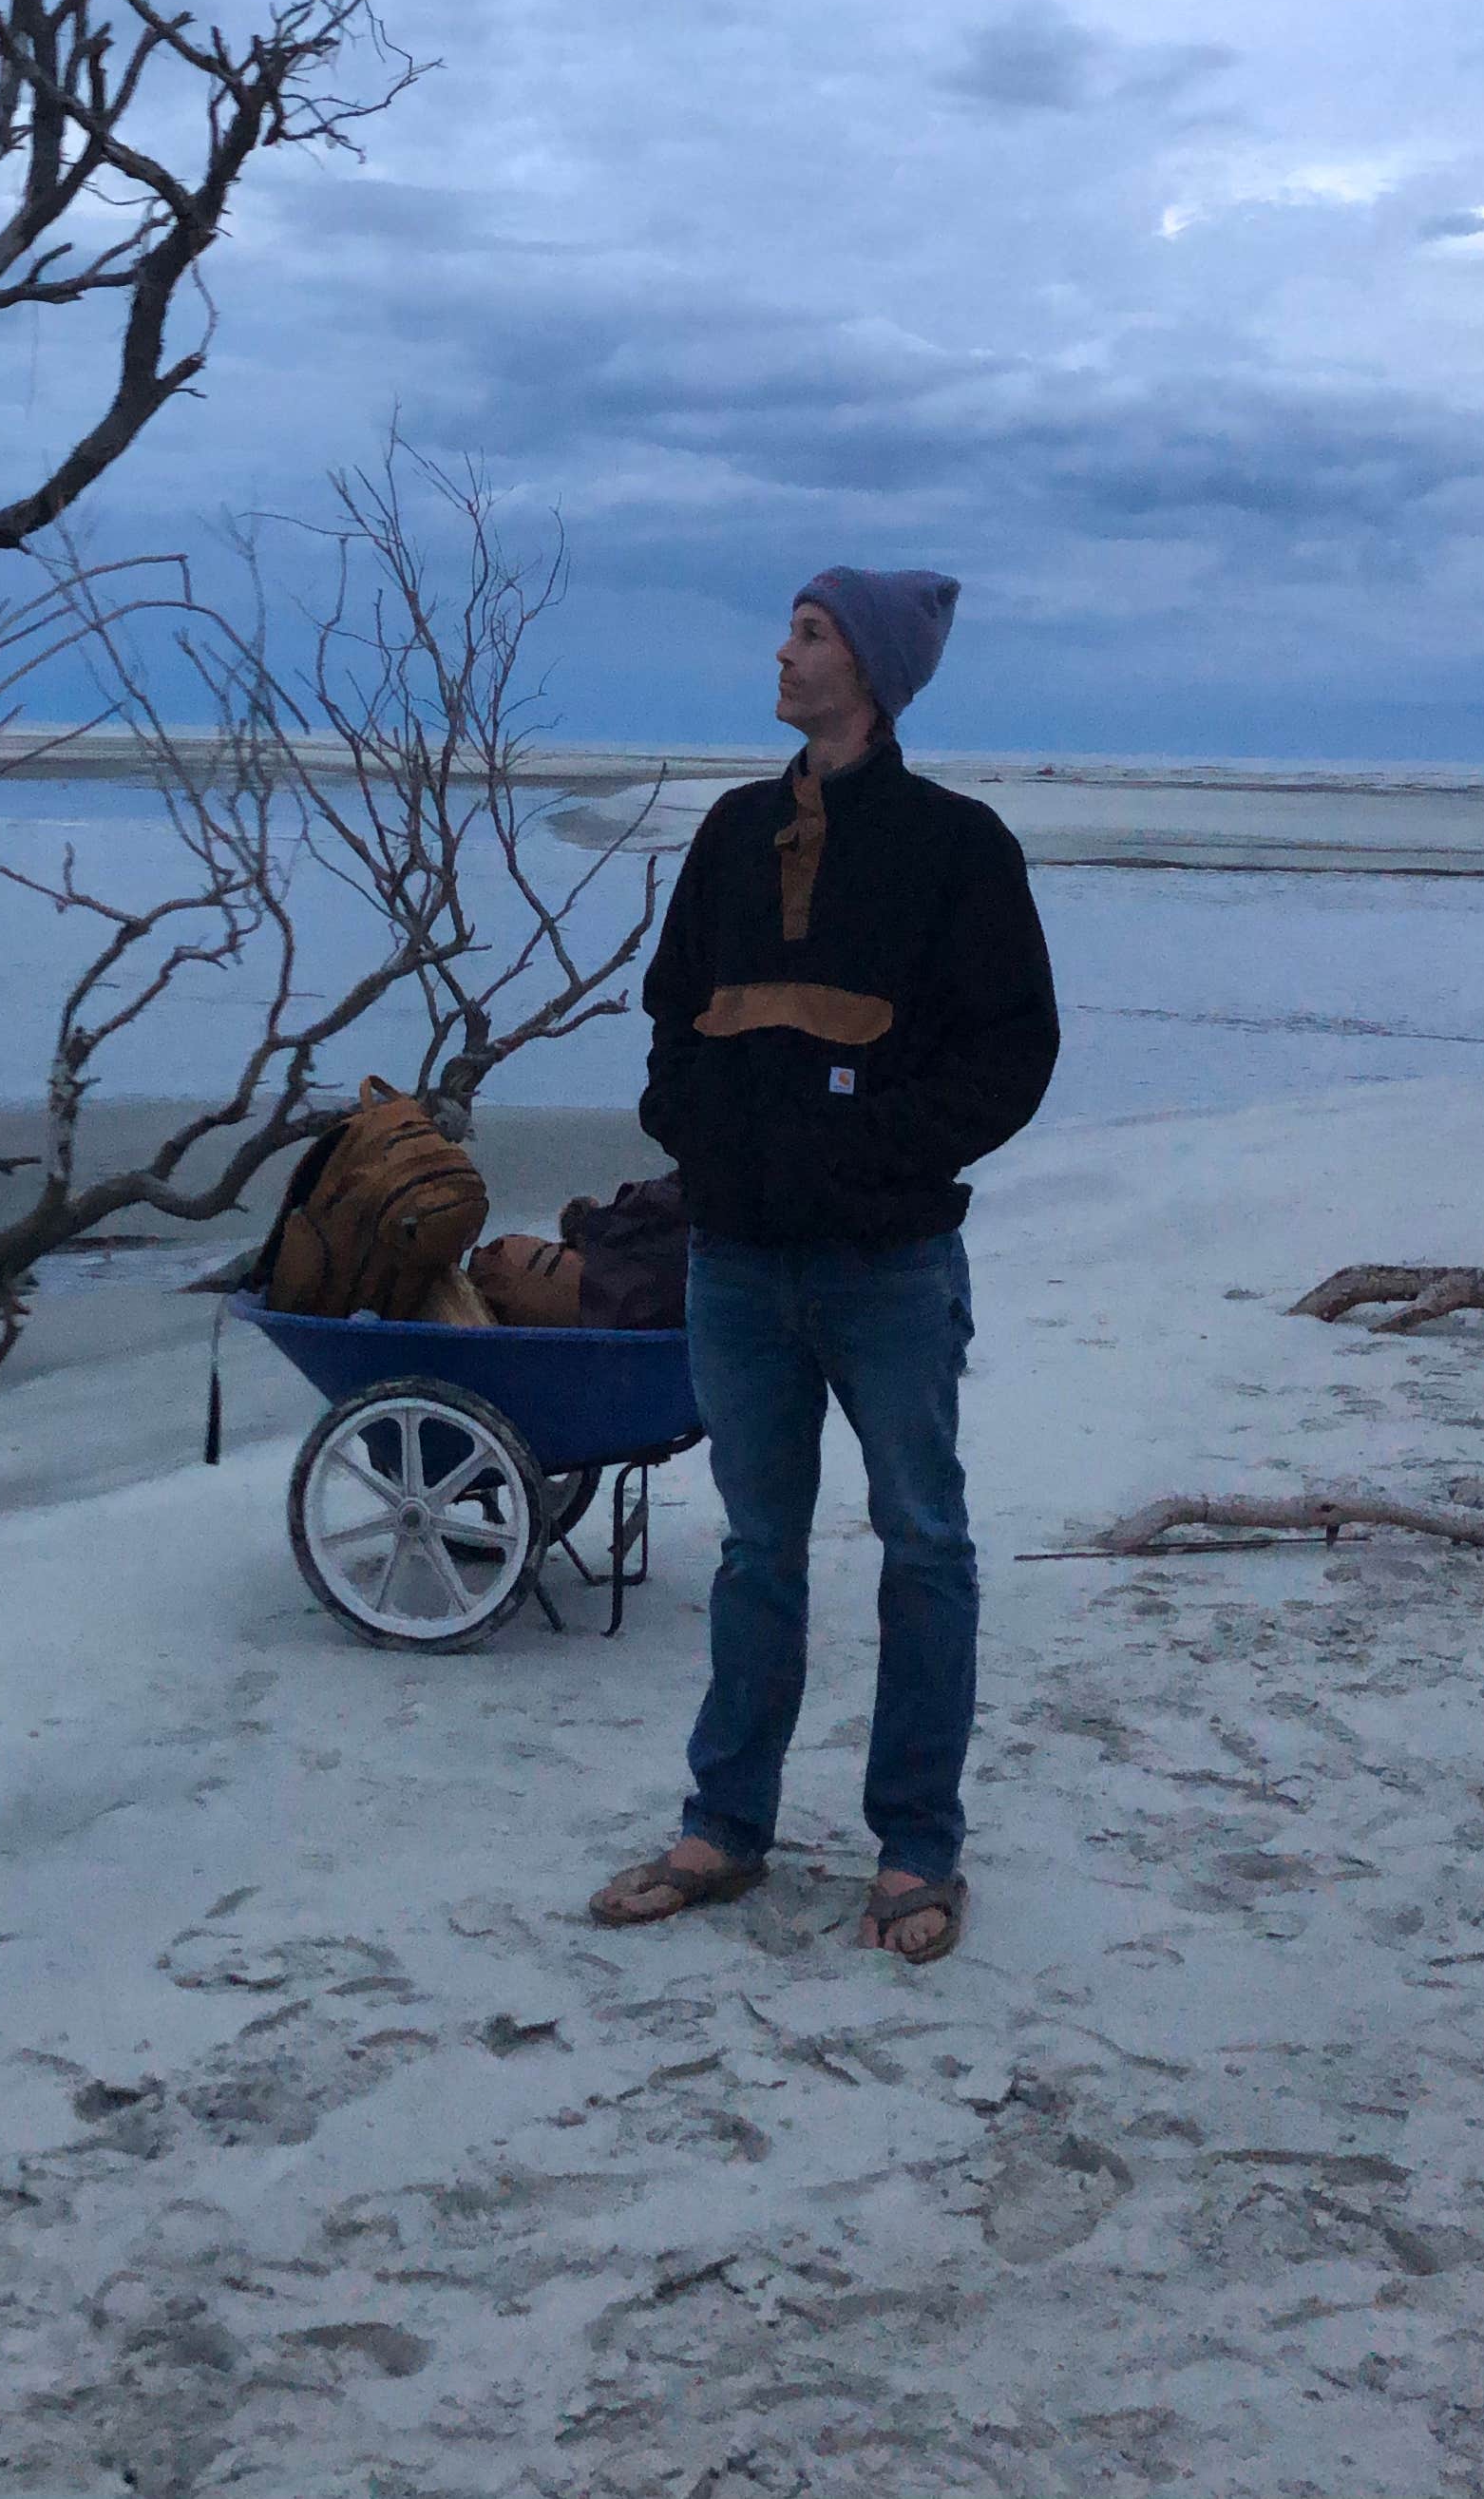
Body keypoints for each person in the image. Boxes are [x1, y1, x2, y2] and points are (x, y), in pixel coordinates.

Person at [587, 568, 1056, 1967]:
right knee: (753, 1550)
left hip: (888, 1267)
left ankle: (915, 1849)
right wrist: (703, 1139)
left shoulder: (957, 845)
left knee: (921, 1543)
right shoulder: (733, 831)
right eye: (789, 627)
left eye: (808, 632)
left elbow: (1011, 1053)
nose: (782, 653)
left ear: (872, 668)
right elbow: (673, 1012)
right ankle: (723, 1827)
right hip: (733, 1263)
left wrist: (876, 1162)